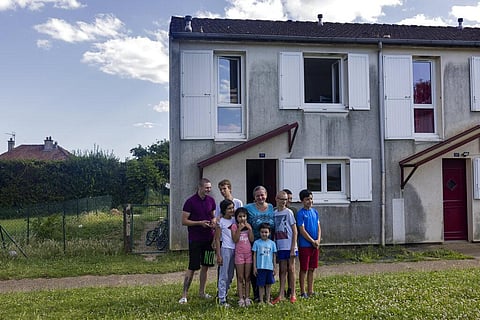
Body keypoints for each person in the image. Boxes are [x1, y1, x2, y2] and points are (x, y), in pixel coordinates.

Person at [178, 178, 216, 304]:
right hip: (195, 239)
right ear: (199, 187)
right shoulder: (190, 202)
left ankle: (202, 292)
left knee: (206, 266)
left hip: (209, 239)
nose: (208, 190)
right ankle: (184, 295)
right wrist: (199, 223)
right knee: (192, 267)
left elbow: (213, 216)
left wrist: (213, 222)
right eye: (206, 187)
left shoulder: (211, 200)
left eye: (210, 187)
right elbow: (184, 221)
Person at [245, 185, 275, 301]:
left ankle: (267, 294)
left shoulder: (272, 207)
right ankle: (257, 294)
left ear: (266, 195)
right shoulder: (248, 208)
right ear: (254, 197)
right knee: (256, 269)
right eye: (257, 196)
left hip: (269, 243)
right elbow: (238, 215)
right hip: (254, 243)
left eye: (262, 195)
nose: (260, 197)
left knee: (267, 267)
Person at [272, 190, 298, 304]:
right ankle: (281, 294)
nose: (283, 201)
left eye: (285, 199)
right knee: (282, 270)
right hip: (280, 245)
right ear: (276, 199)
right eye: (281, 199)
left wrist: (293, 247)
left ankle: (293, 293)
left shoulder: (289, 213)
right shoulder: (274, 213)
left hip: (289, 245)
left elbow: (294, 230)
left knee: (291, 269)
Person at [296, 189, 321, 299]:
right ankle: (303, 291)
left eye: (311, 199)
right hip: (305, 245)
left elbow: (319, 227)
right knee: (304, 269)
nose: (310, 201)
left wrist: (318, 240)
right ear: (302, 201)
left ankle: (311, 290)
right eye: (307, 199)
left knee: (312, 268)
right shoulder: (300, 214)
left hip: (315, 245)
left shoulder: (315, 212)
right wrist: (312, 240)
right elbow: (302, 230)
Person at [215, 199, 236, 307]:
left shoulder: (235, 220)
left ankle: (225, 293)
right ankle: (221, 298)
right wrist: (218, 255)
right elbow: (217, 239)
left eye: (233, 208)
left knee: (231, 274)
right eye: (229, 208)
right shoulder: (220, 222)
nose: (232, 210)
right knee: (224, 274)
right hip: (225, 249)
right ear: (224, 210)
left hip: (235, 249)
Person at [231, 207, 254, 307]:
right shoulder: (234, 227)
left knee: (247, 277)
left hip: (248, 254)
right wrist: (239, 230)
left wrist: (250, 229)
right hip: (239, 255)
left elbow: (252, 239)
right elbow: (235, 240)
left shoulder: (249, 226)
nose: (242, 218)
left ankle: (247, 297)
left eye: (244, 216)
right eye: (240, 216)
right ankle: (241, 298)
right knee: (240, 277)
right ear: (236, 218)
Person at [252, 223, 277, 304]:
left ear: (269, 233)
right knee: (261, 284)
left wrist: (275, 267)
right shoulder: (256, 243)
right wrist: (254, 267)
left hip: (269, 267)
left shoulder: (272, 243)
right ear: (259, 232)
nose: (264, 234)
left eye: (266, 232)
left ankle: (268, 299)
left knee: (269, 284)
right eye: (262, 232)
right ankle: (261, 300)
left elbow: (274, 256)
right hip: (260, 267)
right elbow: (254, 256)